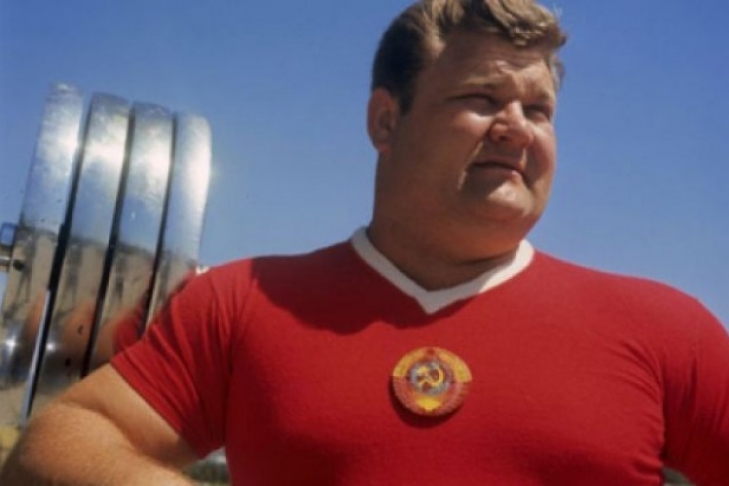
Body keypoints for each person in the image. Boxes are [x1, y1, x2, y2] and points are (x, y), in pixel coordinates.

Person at [2, 0, 729, 484]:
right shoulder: (243, 302)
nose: (516, 127)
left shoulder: (663, 328)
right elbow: (57, 445)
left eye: (538, 109)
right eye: (480, 98)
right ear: (385, 121)